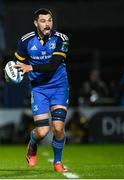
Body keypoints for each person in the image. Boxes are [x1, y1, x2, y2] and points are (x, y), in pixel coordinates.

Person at [12, 8, 69, 172]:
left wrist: (29, 67)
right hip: (39, 90)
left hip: (59, 87)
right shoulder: (25, 41)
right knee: (42, 132)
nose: (47, 24)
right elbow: (18, 66)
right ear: (36, 23)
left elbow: (53, 65)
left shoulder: (61, 39)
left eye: (49, 20)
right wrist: (14, 74)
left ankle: (57, 162)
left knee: (58, 128)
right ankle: (32, 143)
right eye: (43, 21)